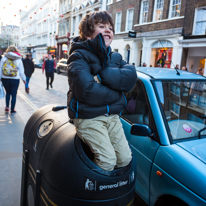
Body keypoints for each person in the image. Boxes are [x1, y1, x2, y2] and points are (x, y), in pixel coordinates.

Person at [67, 11, 137, 171]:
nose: (108, 30)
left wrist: (101, 76)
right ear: (87, 34)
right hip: (88, 117)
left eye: (110, 27)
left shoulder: (116, 57)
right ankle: (90, 194)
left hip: (112, 117)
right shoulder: (78, 56)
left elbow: (130, 78)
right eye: (101, 26)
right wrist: (117, 92)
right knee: (107, 161)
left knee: (125, 159)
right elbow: (87, 91)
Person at [0, 45, 26, 114]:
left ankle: (7, 106)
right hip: (15, 79)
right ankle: (12, 110)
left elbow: (0, 69)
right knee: (14, 94)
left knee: (8, 92)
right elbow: (21, 71)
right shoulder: (18, 58)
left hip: (5, 78)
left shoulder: (4, 58)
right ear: (16, 51)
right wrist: (24, 79)